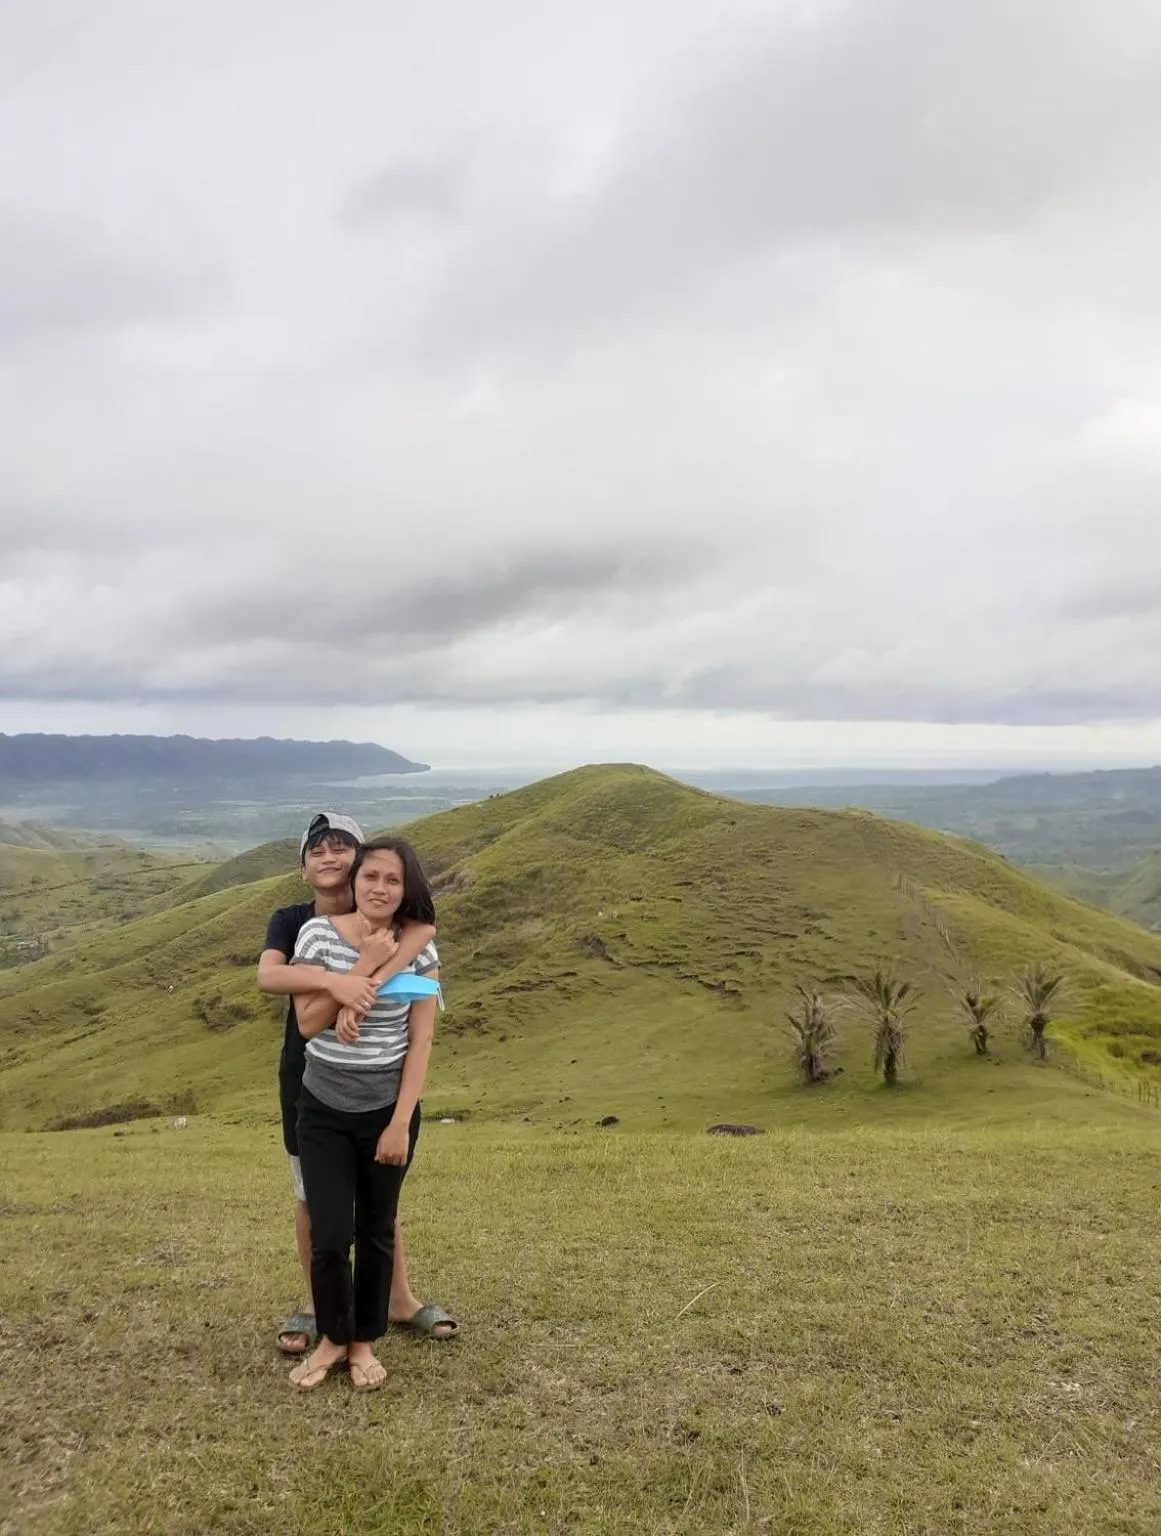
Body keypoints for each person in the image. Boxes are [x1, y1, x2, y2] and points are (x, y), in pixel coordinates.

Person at [256, 813, 457, 1359]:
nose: (329, 857)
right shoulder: (299, 923)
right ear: (302, 868)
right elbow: (271, 980)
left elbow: (425, 933)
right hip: (309, 1076)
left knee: (376, 1208)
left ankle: (395, 1301)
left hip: (379, 1084)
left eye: (342, 847)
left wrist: (365, 982)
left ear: (360, 861)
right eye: (316, 850)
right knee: (316, 1201)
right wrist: (341, 984)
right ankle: (320, 1306)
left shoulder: (402, 927)